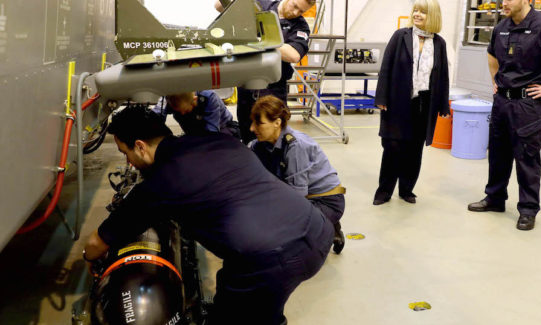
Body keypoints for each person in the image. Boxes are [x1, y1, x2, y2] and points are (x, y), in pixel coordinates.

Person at [83, 105, 334, 324]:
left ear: (140, 147)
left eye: (125, 153)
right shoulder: (216, 140)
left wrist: (89, 259)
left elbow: (97, 243)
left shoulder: (158, 184)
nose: (129, 162)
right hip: (317, 230)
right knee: (260, 302)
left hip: (269, 260)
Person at [468, 0, 541, 230]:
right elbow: (491, 55)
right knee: (498, 154)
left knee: (527, 157)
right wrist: (494, 81)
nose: (503, 3)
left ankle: (528, 209)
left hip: (527, 105)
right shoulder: (500, 28)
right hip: (501, 103)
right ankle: (495, 198)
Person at [372, 0, 449, 206]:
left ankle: (406, 189)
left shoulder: (439, 43)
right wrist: (381, 97)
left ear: (432, 16)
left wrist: (443, 104)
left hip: (424, 103)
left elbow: (443, 76)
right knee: (393, 146)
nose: (417, 14)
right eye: (415, 10)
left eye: (423, 12)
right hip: (398, 100)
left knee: (415, 149)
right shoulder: (401, 36)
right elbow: (386, 67)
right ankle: (384, 191)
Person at [248, 95, 346, 254]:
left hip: (327, 201)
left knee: (280, 229)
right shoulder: (260, 144)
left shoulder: (296, 147)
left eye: (259, 123)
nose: (252, 128)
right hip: (307, 198)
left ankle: (327, 229)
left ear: (277, 123)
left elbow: (297, 199)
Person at [215, 0, 315, 144]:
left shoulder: (300, 26)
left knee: (272, 142)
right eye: (295, 6)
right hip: (246, 86)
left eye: (301, 11)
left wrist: (260, 39)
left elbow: (293, 55)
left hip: (273, 91)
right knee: (247, 134)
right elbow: (219, 6)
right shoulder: (262, 4)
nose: (295, 13)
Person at [152, 90, 240, 138]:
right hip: (194, 132)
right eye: (178, 112)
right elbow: (155, 118)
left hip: (222, 128)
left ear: (194, 100)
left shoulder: (209, 98)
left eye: (186, 111)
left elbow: (212, 135)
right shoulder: (170, 100)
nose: (182, 114)